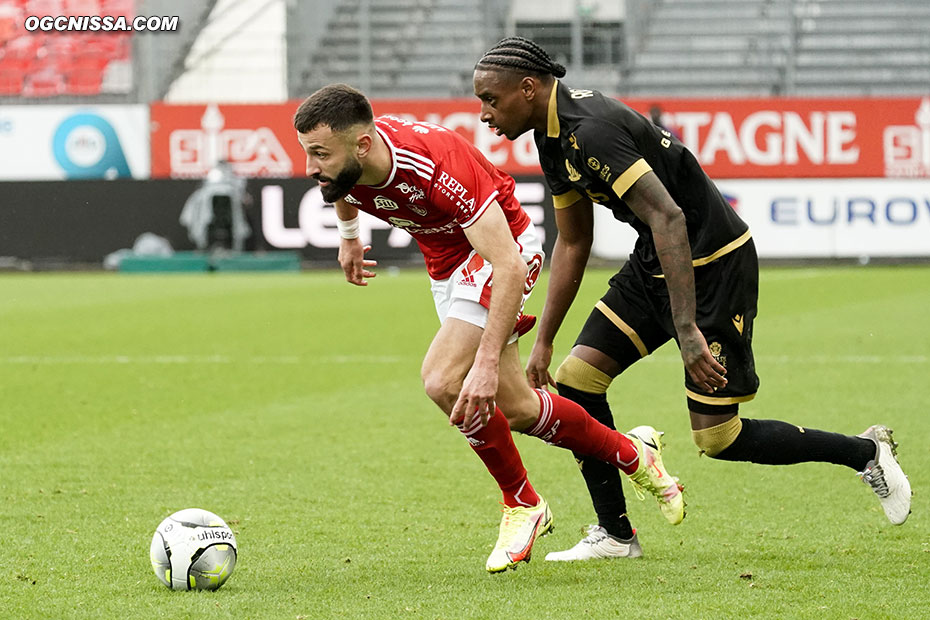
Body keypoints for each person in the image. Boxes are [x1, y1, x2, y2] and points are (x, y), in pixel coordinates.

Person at [472, 37, 912, 561]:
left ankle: (865, 452)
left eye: (490, 101)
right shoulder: (551, 137)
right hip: (658, 259)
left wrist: (687, 333)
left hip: (715, 263)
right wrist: (543, 340)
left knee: (717, 439)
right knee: (576, 379)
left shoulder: (591, 131)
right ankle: (615, 535)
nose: (484, 115)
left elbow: (670, 216)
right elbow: (573, 240)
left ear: (528, 88)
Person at [293, 84, 686, 572]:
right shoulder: (348, 159)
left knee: (442, 379)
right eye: (308, 153)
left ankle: (523, 501)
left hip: (503, 254)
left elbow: (509, 266)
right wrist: (349, 238)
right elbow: (340, 185)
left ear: (364, 145)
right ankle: (633, 453)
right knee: (519, 409)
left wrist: (482, 363)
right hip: (446, 266)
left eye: (319, 154)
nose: (311, 167)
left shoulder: (433, 166)